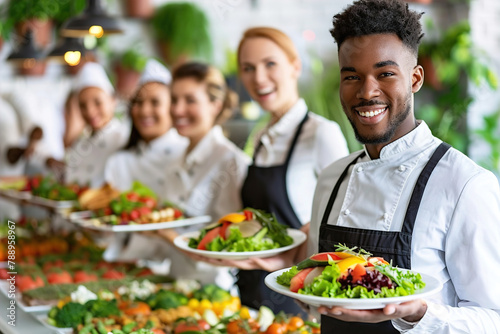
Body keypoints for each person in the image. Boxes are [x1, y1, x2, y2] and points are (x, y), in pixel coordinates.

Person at [302, 0, 500, 332]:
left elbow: (494, 319)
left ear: (416, 78)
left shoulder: (465, 184)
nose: (367, 91)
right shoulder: (330, 178)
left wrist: (419, 313)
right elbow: (314, 290)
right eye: (352, 76)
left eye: (385, 74)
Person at [235, 27, 349, 314]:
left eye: (270, 64)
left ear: (294, 66)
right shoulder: (261, 135)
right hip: (250, 287)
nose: (258, 77)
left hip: (296, 290)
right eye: (248, 68)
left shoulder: (322, 133)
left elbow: (347, 217)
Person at [158, 62, 250, 289]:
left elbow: (232, 241)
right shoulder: (175, 160)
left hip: (215, 290)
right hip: (176, 279)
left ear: (215, 105)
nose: (178, 110)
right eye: (174, 99)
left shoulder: (231, 162)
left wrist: (166, 234)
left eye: (190, 100)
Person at [104, 59, 188, 195]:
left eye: (155, 102)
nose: (144, 111)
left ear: (173, 108)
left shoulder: (186, 155)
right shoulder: (119, 162)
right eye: (138, 102)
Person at [63, 62, 130, 188]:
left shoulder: (124, 138)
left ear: (113, 100)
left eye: (97, 102)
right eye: (83, 105)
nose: (90, 112)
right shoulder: (81, 141)